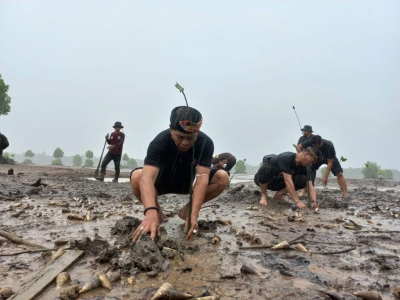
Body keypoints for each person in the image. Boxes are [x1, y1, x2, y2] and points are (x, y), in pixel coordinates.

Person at [130, 106, 229, 242]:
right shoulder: (160, 142)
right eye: (180, 137)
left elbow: (202, 178)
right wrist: (150, 212)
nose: (185, 143)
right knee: (137, 176)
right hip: (160, 185)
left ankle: (186, 211)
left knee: (222, 177)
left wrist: (193, 214)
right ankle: (157, 214)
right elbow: (147, 178)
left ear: (197, 133)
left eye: (191, 138)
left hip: (186, 183)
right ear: (171, 129)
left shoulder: (205, 143)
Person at [254, 147, 321, 209]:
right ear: (307, 154)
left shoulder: (306, 168)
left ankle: (278, 194)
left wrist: (314, 202)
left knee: (302, 180)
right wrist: (297, 202)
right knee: (265, 169)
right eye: (312, 161)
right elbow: (288, 181)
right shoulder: (286, 158)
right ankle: (264, 195)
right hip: (267, 181)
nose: (311, 164)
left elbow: (310, 185)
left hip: (280, 183)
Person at [296, 125, 314, 197]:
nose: (303, 131)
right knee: (304, 174)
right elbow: (298, 148)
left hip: (312, 159)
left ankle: (310, 190)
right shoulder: (301, 138)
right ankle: (303, 190)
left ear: (308, 131)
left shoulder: (314, 138)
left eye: (304, 130)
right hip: (304, 159)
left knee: (312, 175)